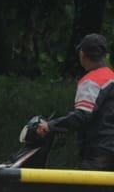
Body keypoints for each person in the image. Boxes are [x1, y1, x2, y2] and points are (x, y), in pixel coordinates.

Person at [34, 33, 114, 170]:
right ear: (104, 55)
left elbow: (82, 116)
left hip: (100, 153)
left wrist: (51, 126)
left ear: (82, 54)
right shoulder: (111, 77)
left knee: (85, 190)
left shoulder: (91, 81)